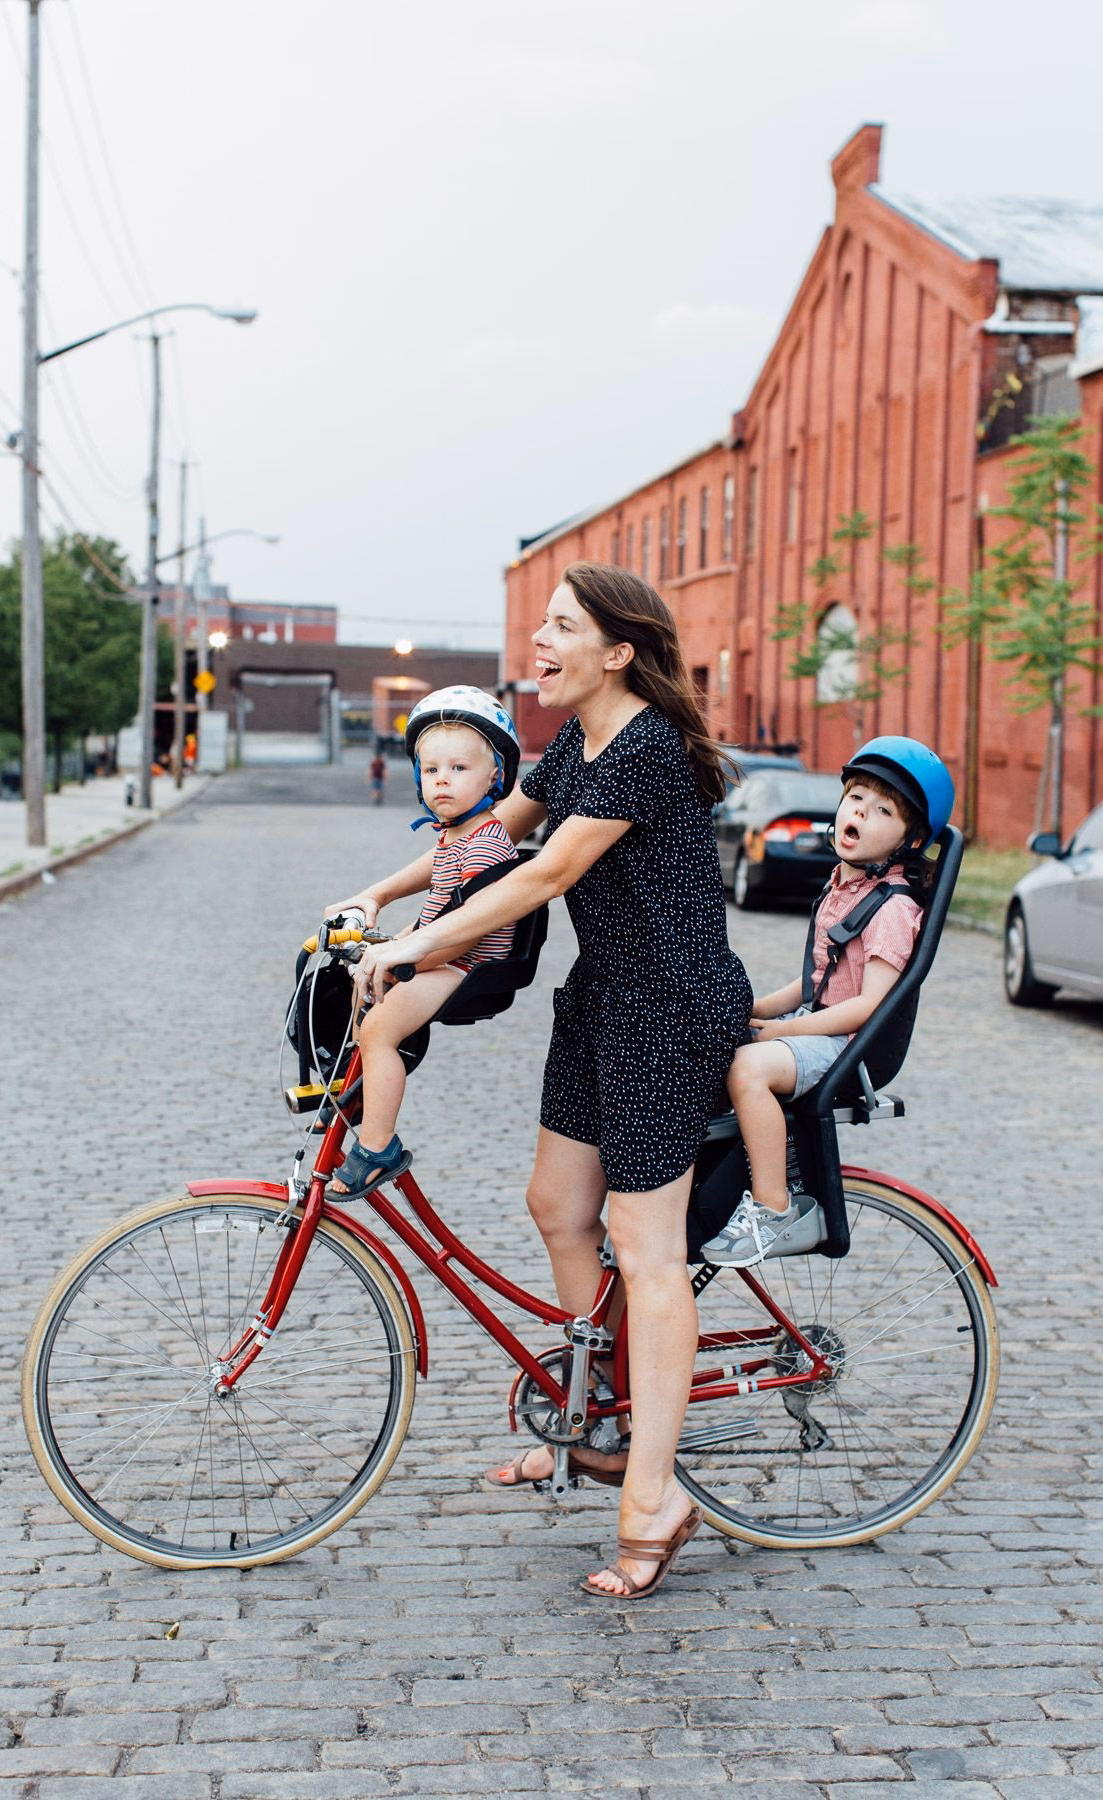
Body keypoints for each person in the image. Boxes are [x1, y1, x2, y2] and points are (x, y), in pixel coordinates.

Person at [348, 564, 752, 1600]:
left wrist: (416, 949)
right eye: (542, 620)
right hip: (602, 1003)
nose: (539, 637)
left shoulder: (648, 752)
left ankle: (654, 1492)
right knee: (556, 1205)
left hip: (669, 1016)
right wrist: (375, 897)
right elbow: (492, 837)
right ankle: (605, 1415)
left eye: (561, 624)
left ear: (617, 653)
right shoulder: (574, 743)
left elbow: (543, 876)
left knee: (645, 1249)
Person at [701, 736, 954, 1268]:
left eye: (883, 809)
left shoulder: (891, 909)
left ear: (909, 839)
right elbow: (816, 981)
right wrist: (757, 1009)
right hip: (819, 1024)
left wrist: (781, 1033)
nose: (860, 811)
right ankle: (720, 1183)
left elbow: (868, 1007)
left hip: (847, 1043)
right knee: (713, 1043)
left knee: (748, 1069)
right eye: (856, 798)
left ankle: (774, 1205)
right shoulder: (845, 886)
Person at [327, 687, 521, 1199]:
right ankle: (361, 1095)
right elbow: (434, 914)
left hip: (468, 963)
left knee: (382, 1028)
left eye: (459, 768)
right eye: (431, 769)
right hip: (444, 953)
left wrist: (407, 954)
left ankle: (377, 1148)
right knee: (363, 995)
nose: (442, 780)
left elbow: (466, 928)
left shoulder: (486, 843)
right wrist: (388, 944)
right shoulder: (453, 837)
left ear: (494, 777)